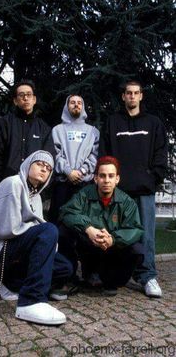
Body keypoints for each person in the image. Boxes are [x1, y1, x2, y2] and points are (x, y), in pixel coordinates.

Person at [0, 151, 72, 325]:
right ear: (28, 164)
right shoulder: (12, 184)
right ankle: (31, 301)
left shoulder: (36, 196)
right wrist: (41, 231)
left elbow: (36, 231)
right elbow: (4, 230)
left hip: (14, 249)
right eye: (39, 164)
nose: (43, 170)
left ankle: (10, 284)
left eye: (48, 168)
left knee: (65, 267)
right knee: (49, 230)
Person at [99, 81, 168, 297]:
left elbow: (160, 154)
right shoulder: (112, 122)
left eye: (136, 93)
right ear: (123, 97)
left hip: (144, 190)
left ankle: (148, 277)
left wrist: (152, 178)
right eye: (128, 93)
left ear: (141, 96)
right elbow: (104, 154)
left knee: (146, 234)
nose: (132, 96)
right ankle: (115, 275)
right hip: (119, 192)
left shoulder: (153, 123)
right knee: (115, 233)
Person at [59, 156, 144, 296]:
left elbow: (135, 229)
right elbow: (66, 212)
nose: (106, 180)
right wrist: (88, 228)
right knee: (63, 231)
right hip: (88, 246)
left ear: (117, 179)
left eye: (111, 176)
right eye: (102, 176)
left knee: (137, 249)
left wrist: (113, 239)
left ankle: (112, 280)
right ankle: (69, 277)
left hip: (111, 250)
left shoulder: (127, 202)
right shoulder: (84, 194)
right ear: (95, 178)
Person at [0, 79, 54, 185]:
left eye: (29, 95)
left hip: (33, 184)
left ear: (34, 99)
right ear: (15, 101)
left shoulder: (44, 128)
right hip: (7, 182)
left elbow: (48, 158)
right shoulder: (5, 123)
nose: (25, 98)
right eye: (21, 95)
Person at [49, 94, 99, 223]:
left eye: (79, 102)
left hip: (85, 184)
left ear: (83, 107)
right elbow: (55, 154)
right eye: (72, 102)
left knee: (83, 223)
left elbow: (95, 155)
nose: (76, 104)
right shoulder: (57, 130)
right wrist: (68, 171)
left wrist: (81, 171)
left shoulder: (93, 131)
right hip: (62, 184)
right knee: (58, 222)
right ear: (67, 106)